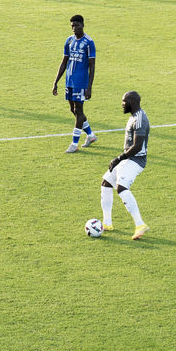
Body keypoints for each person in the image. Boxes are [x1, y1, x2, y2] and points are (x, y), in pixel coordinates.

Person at [100, 90, 149, 240]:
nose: (122, 104)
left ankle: (140, 224)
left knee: (121, 187)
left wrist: (119, 158)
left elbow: (137, 146)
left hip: (136, 160)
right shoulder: (134, 116)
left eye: (124, 101)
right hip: (128, 158)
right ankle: (107, 223)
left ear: (132, 102)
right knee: (106, 183)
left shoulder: (140, 119)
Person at [53, 14, 97, 152]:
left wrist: (89, 87)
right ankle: (91, 135)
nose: (74, 28)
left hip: (81, 82)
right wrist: (56, 81)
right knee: (73, 110)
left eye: (76, 25)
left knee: (79, 110)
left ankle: (74, 143)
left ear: (82, 25)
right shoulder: (69, 41)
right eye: (72, 26)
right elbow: (64, 62)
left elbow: (92, 66)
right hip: (69, 81)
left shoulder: (89, 42)